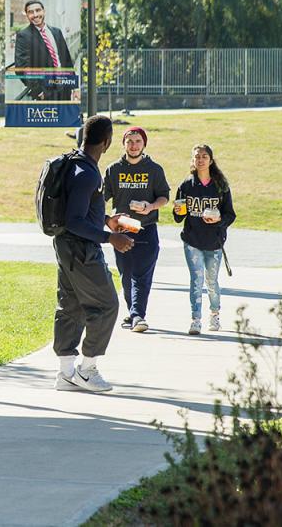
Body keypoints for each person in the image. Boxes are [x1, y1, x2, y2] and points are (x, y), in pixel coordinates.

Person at [53, 114, 135, 393]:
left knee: (71, 306)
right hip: (81, 249)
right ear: (107, 141)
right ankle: (87, 370)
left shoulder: (75, 163)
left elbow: (80, 211)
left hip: (66, 248)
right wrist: (109, 237)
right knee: (108, 304)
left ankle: (65, 374)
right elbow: (75, 219)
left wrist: (107, 219)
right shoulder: (87, 173)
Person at [104, 126, 172, 333]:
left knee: (142, 275)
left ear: (144, 144)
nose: (133, 145)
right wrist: (108, 220)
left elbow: (164, 197)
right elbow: (100, 199)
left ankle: (137, 315)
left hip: (147, 229)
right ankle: (134, 312)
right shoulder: (113, 169)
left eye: (138, 141)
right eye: (130, 141)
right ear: (123, 144)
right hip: (122, 230)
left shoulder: (154, 169)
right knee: (126, 274)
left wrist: (150, 206)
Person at [171, 143, 236, 335]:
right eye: (197, 156)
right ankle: (195, 319)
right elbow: (178, 217)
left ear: (211, 160)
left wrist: (218, 220)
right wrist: (177, 210)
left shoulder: (221, 186)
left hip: (214, 241)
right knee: (196, 280)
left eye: (204, 156)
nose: (200, 160)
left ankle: (215, 314)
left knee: (211, 281)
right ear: (193, 160)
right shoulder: (186, 185)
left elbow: (230, 215)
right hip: (192, 240)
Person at [13, 0, 74, 101]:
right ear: (27, 15)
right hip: (46, 92)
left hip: (64, 87)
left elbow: (66, 60)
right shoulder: (23, 36)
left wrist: (73, 86)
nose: (35, 15)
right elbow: (22, 68)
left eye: (38, 10)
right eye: (31, 12)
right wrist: (38, 91)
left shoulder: (56, 32)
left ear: (44, 11)